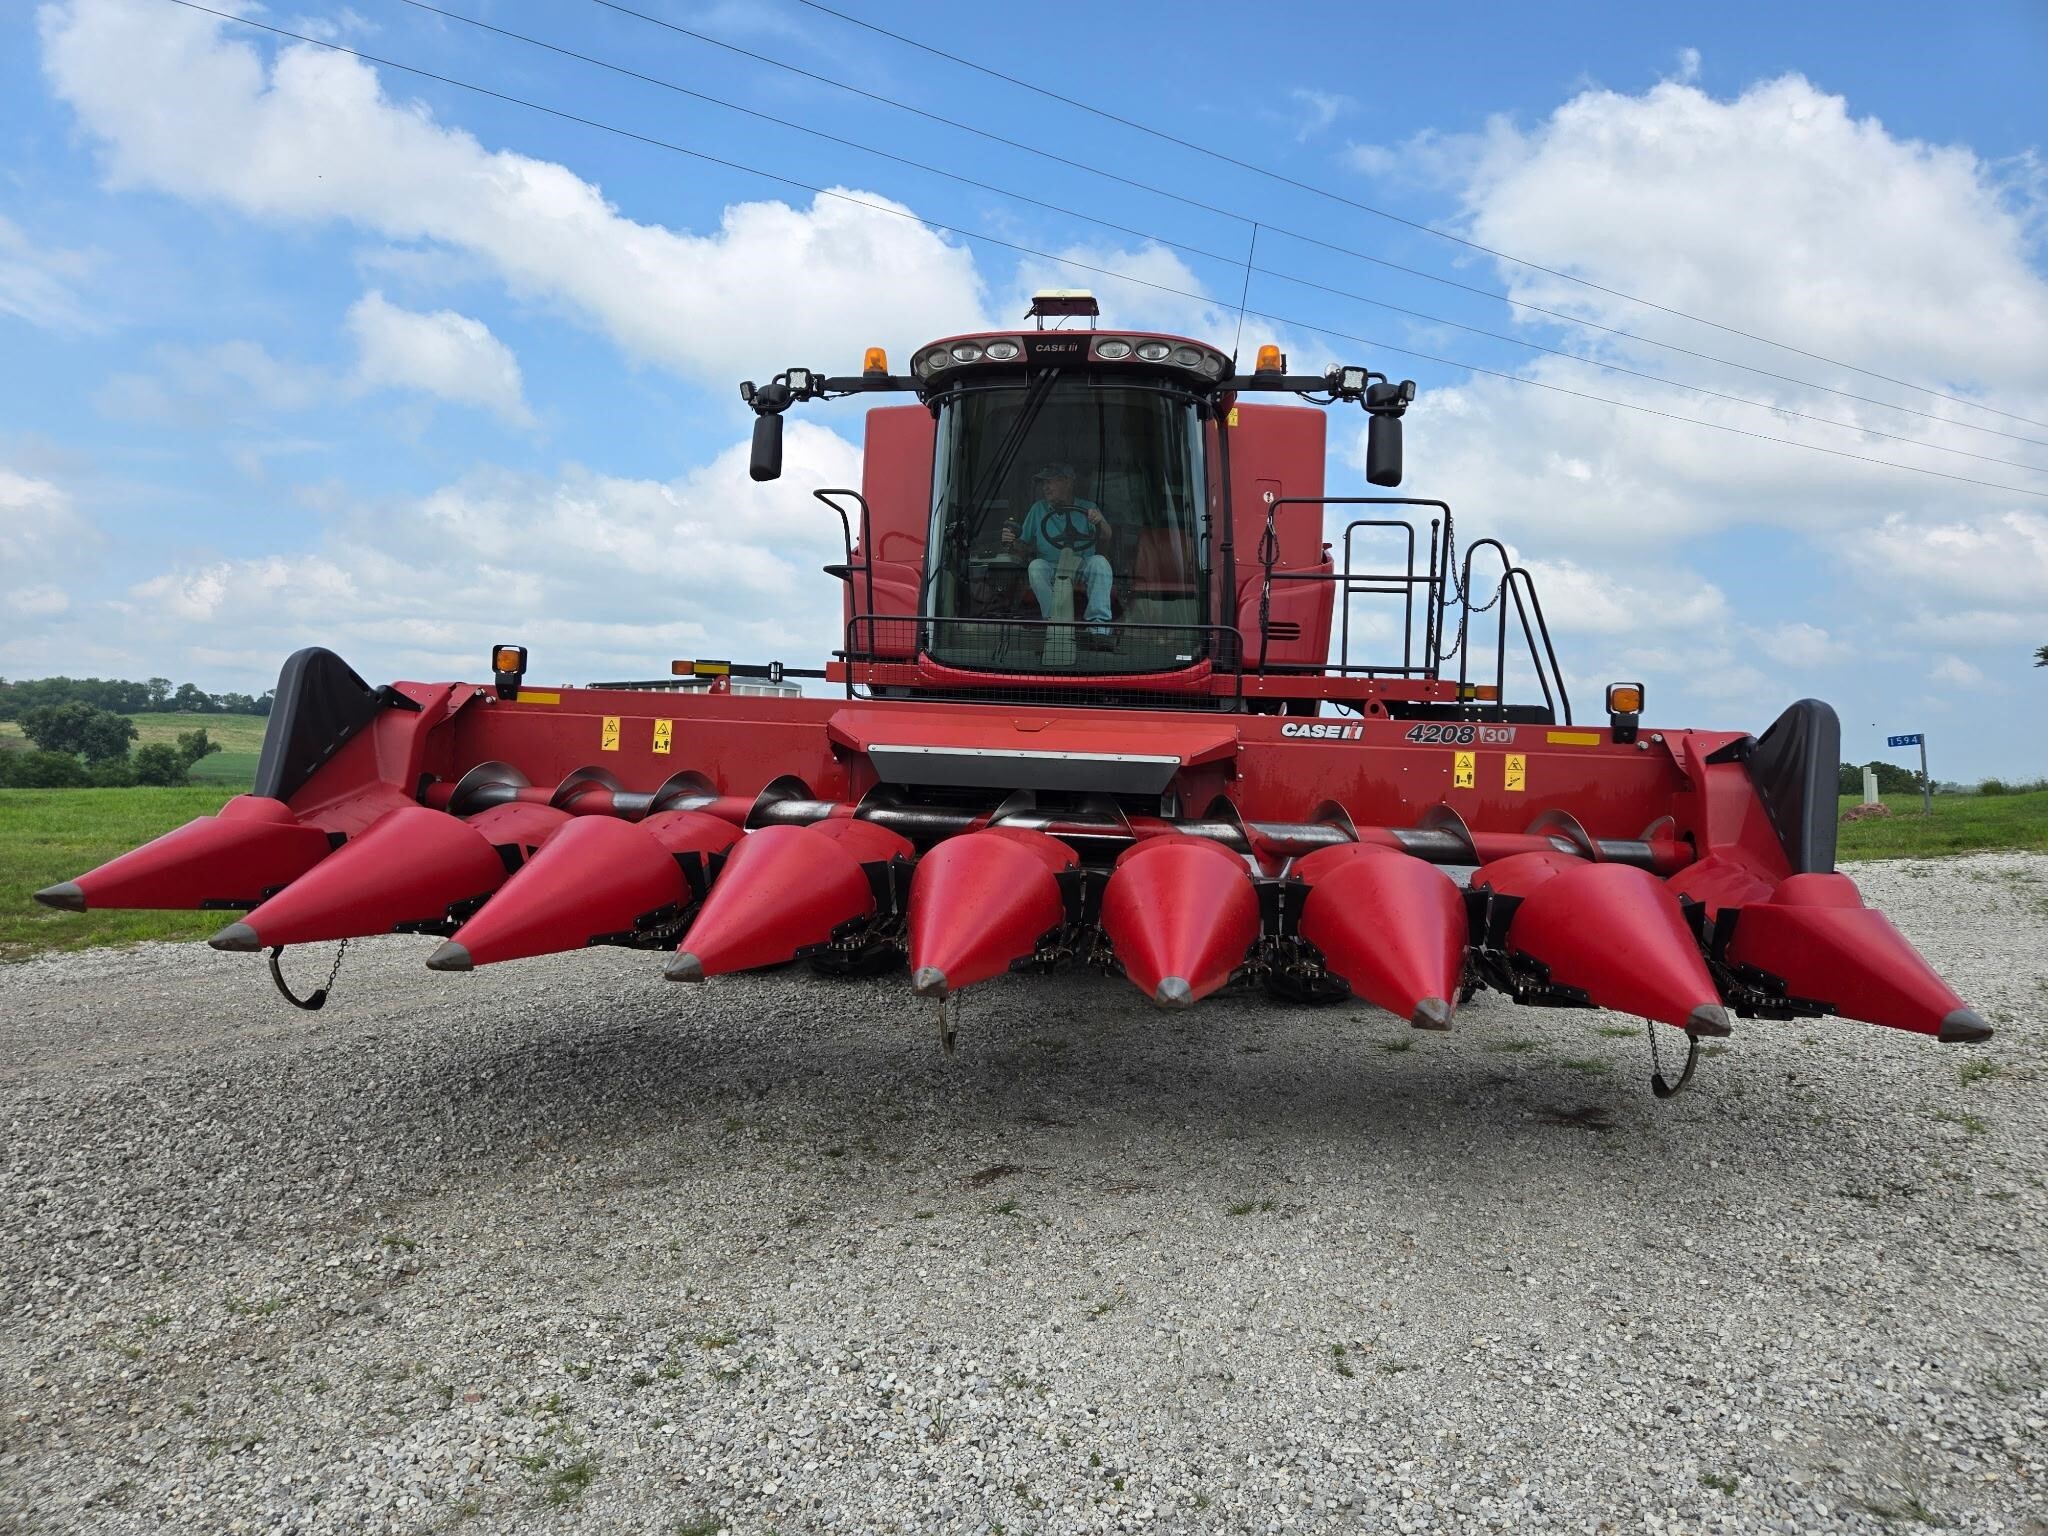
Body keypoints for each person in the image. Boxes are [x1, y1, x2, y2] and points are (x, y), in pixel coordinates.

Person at [1004, 462, 1115, 640]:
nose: (1045, 487)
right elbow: (1022, 547)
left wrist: (1099, 520)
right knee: (1035, 566)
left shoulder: (1088, 508)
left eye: (1050, 481)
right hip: (1052, 566)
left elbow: (1107, 536)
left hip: (1081, 565)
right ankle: (1053, 622)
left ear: (1068, 482)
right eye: (1043, 483)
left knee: (1100, 563)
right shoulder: (1037, 509)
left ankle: (1099, 629)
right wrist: (1012, 542)